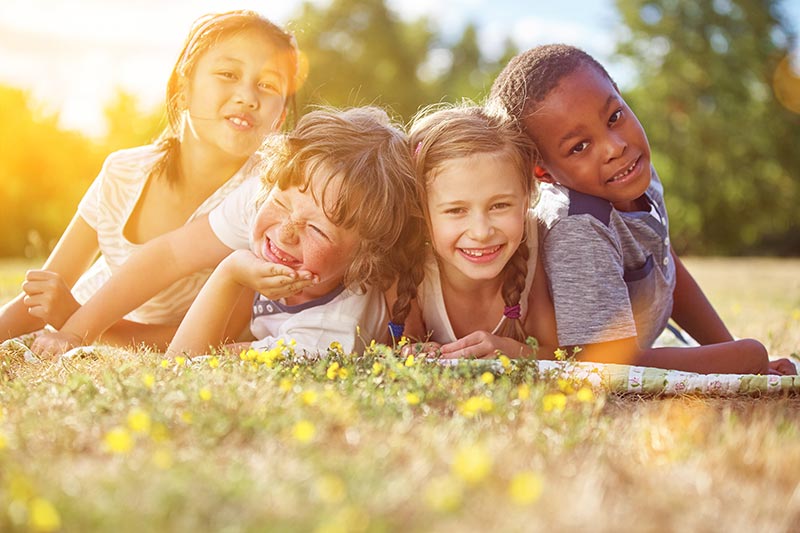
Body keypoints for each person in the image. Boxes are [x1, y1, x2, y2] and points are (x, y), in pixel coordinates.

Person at [0, 10, 301, 349]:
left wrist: (82, 323)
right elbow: (39, 301)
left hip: (96, 326)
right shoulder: (122, 171)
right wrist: (69, 318)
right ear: (182, 89)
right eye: (228, 73)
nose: (248, 95)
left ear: (280, 118)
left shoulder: (265, 197)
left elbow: (222, 335)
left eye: (268, 84)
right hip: (86, 315)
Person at [488, 44, 796, 375]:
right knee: (748, 354)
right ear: (542, 172)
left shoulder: (636, 175)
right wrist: (741, 359)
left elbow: (666, 270)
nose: (615, 147)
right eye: (579, 147)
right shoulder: (579, 228)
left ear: (621, 95)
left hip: (633, 348)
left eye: (614, 117)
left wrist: (725, 344)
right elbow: (601, 366)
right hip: (603, 357)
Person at [32, 107, 418, 358]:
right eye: (281, 206)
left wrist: (230, 272)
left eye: (316, 229)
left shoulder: (328, 333)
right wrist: (77, 331)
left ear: (365, 259)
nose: (286, 232)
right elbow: (169, 254)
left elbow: (185, 362)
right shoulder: (267, 196)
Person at [388, 104, 558, 359]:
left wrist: (513, 352)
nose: (481, 232)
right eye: (456, 210)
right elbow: (397, 348)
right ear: (420, 211)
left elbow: (557, 353)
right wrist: (412, 352)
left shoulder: (536, 244)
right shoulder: (409, 265)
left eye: (500, 205)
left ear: (526, 199)